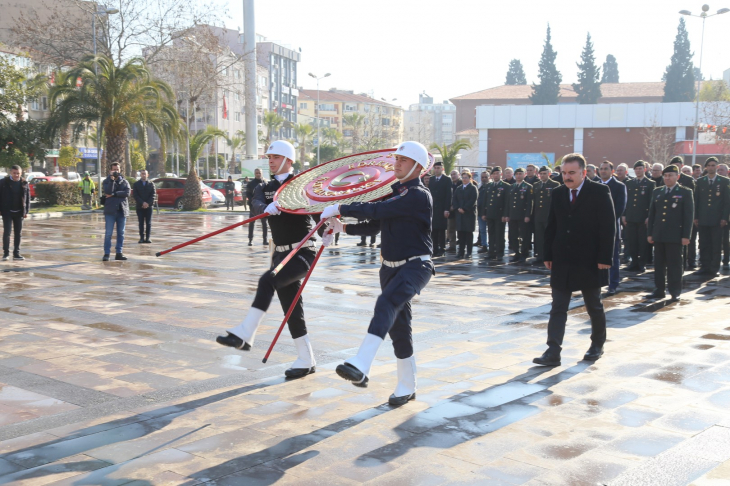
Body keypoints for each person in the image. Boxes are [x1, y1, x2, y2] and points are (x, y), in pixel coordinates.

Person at [320, 141, 433, 406]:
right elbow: (375, 225)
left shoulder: (417, 195)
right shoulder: (398, 194)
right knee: (399, 328)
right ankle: (407, 386)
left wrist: (341, 207)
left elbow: (377, 210)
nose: (397, 164)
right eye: (396, 159)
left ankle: (361, 363)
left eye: (403, 161)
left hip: (415, 266)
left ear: (417, 166)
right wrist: (341, 228)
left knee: (386, 303)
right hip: (389, 268)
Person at [217, 141, 319, 379]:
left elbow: (316, 212)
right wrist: (267, 207)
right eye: (269, 156)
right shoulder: (266, 186)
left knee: (267, 280)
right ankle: (306, 359)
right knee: (291, 308)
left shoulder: (301, 185)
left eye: (275, 156)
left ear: (288, 160)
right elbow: (256, 202)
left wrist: (328, 229)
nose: (270, 160)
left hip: (302, 252)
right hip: (281, 253)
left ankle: (245, 333)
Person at [534, 153, 615, 366]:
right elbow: (552, 225)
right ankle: (553, 351)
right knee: (558, 306)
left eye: (572, 173)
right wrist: (548, 254)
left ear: (584, 172)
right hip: (562, 259)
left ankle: (597, 345)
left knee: (593, 305)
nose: (567, 177)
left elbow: (608, 227)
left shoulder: (599, 191)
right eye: (564, 173)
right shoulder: (559, 193)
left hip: (589, 259)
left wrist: (605, 257)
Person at [646, 165, 694, 301]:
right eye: (665, 175)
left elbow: (688, 216)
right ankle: (659, 290)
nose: (667, 178)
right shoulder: (658, 191)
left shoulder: (685, 192)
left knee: (675, 265)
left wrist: (686, 236)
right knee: (659, 264)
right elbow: (652, 214)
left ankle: (675, 291)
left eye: (671, 175)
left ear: (677, 177)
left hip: (675, 235)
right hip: (659, 234)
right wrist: (650, 233)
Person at [693, 157, 730, 277]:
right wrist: (696, 217)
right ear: (705, 167)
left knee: (716, 244)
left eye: (713, 165)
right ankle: (704, 266)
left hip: (717, 219)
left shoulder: (724, 181)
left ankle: (714, 268)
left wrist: (725, 218)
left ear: (717, 167)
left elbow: (726, 202)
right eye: (709, 165)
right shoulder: (700, 181)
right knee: (703, 244)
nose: (711, 167)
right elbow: (696, 201)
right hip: (703, 218)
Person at [598, 161, 626, 295]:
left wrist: (605, 221)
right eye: (601, 169)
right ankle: (596, 283)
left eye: (605, 169)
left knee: (613, 257)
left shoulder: (619, 186)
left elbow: (620, 208)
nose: (603, 171)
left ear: (612, 170)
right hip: (595, 227)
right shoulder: (595, 185)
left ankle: (613, 284)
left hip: (611, 227)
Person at [623, 160, 655, 272]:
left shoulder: (650, 183)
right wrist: (624, 214)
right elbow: (626, 200)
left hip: (643, 218)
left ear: (645, 169)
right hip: (631, 217)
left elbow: (652, 202)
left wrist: (649, 216)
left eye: (640, 168)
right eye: (636, 169)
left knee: (642, 242)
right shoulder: (629, 183)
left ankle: (642, 263)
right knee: (632, 241)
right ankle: (634, 262)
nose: (638, 171)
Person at [0, 165, 30, 261]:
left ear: (21, 173)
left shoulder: (24, 183)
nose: (16, 175)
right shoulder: (3, 182)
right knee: (7, 232)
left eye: (18, 173)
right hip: (7, 211)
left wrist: (26, 211)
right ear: (10, 173)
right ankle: (6, 253)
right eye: (14, 173)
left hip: (19, 212)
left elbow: (27, 199)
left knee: (18, 233)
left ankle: (16, 253)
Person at [102, 162, 130, 261]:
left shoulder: (125, 182)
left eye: (117, 169)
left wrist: (114, 194)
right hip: (110, 211)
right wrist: (111, 180)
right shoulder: (106, 181)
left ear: (120, 170)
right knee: (108, 233)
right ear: (110, 170)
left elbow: (127, 193)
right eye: (114, 170)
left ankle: (119, 252)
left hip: (122, 211)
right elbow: (108, 191)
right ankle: (107, 253)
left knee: (121, 233)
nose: (116, 172)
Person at [505, 167, 533, 263]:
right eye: (517, 174)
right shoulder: (512, 187)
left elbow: (530, 203)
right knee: (513, 235)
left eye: (520, 174)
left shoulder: (528, 186)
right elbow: (508, 202)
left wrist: (528, 215)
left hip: (523, 215)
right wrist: (507, 214)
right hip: (513, 215)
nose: (518, 176)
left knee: (524, 235)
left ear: (524, 175)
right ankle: (516, 252)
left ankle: (524, 253)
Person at [532, 166, 559, 265]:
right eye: (541, 174)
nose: (542, 175)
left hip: (549, 216)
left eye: (545, 173)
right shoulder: (536, 185)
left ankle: (550, 257)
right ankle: (540, 256)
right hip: (538, 216)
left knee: (549, 237)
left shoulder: (555, 184)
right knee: (538, 237)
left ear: (549, 174)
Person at [483, 167, 510, 260]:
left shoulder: (505, 186)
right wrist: (484, 213)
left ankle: (499, 253)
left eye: (497, 173)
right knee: (491, 234)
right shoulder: (489, 185)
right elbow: (485, 201)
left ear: (501, 174)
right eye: (494, 174)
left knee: (499, 235)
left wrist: (505, 214)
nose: (496, 175)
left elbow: (507, 202)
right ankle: (491, 253)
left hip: (500, 214)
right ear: (491, 175)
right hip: (490, 214)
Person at [452, 170, 478, 259]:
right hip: (459, 214)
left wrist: (465, 208)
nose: (464, 179)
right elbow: (454, 199)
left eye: (466, 177)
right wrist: (458, 208)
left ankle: (469, 252)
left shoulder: (473, 188)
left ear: (470, 178)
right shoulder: (459, 188)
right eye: (463, 178)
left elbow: (473, 200)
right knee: (460, 234)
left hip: (469, 214)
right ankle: (461, 252)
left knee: (468, 234)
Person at [428, 161, 452, 257]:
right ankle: (434, 249)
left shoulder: (447, 180)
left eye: (438, 168)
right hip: (433, 208)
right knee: (433, 230)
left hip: (442, 208)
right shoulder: (432, 179)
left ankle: (442, 248)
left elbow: (448, 195)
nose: (437, 169)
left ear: (442, 169)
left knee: (441, 230)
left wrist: (447, 209)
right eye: (435, 168)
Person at [246, 168, 268, 246]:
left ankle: (265, 240)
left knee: (264, 224)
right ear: (254, 174)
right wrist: (252, 202)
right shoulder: (251, 184)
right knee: (251, 223)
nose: (258, 174)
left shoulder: (266, 182)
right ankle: (250, 240)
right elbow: (248, 194)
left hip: (263, 206)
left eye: (259, 173)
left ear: (262, 173)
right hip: (253, 207)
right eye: (257, 173)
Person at [132, 170, 156, 244]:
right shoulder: (136, 184)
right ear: (140, 175)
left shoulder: (151, 184)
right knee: (141, 223)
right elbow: (135, 195)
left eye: (145, 174)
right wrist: (142, 203)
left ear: (147, 175)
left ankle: (148, 238)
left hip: (149, 207)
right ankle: (141, 238)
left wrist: (147, 203)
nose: (143, 175)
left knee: (148, 223)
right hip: (140, 207)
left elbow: (153, 195)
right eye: (142, 174)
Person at [719, 163, 730, 270]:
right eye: (719, 170)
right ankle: (725, 259)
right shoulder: (719, 183)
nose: (720, 172)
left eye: (722, 170)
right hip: (723, 215)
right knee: (724, 239)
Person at [446, 169, 460, 252]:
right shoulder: (449, 184)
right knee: (451, 228)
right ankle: (452, 246)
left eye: (454, 174)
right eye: (451, 175)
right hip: (451, 211)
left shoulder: (462, 183)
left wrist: (455, 206)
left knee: (461, 229)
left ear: (458, 174)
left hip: (459, 209)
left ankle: (462, 245)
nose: (453, 176)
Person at [476, 171, 490, 252]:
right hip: (480, 212)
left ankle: (492, 245)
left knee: (491, 231)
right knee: (482, 230)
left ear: (489, 177)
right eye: (482, 177)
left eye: (486, 177)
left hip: (489, 212)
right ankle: (484, 245)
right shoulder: (479, 186)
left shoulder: (491, 186)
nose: (484, 179)